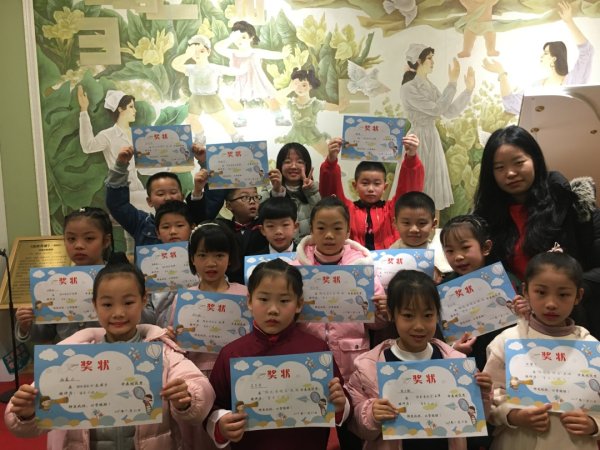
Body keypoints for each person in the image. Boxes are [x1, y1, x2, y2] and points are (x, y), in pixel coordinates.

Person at [5, 255, 215, 449]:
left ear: (144, 300)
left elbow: (199, 387)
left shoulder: (161, 352)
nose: (118, 313)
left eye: (128, 302)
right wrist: (27, 413)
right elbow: (25, 420)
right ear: (95, 305)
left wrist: (188, 397)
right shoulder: (70, 357)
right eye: (107, 304)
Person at [205, 259, 349, 449]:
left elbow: (341, 399)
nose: (273, 310)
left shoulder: (316, 350)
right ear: (249, 301)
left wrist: (340, 405)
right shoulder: (232, 353)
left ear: (299, 304)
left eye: (284, 301)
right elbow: (213, 407)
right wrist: (221, 424)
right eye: (264, 299)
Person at [472, 125, 600, 336]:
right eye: (499, 167)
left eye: (519, 162)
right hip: (514, 326)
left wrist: (561, 291)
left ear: (535, 160)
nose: (510, 173)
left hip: (572, 323)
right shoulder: (485, 220)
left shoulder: (573, 205)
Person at [346, 270, 492, 450]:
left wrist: (482, 393)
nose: (419, 326)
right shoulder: (369, 367)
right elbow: (357, 427)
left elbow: (475, 419)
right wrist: (371, 414)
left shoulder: (455, 363)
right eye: (408, 315)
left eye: (428, 315)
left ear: (437, 314)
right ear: (391, 314)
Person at [294, 196, 388, 449]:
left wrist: (381, 310)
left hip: (353, 363)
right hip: (308, 363)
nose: (329, 235)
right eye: (321, 228)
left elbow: (376, 326)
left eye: (337, 228)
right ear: (311, 231)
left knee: (351, 431)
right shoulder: (297, 269)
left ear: (347, 231)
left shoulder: (363, 270)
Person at [484, 250, 600, 449]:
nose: (551, 304)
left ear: (578, 296)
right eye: (541, 292)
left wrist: (594, 423)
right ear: (526, 291)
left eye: (563, 294)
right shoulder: (508, 341)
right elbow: (488, 395)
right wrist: (512, 415)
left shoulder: (591, 347)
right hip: (517, 441)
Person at [15, 207, 151, 343]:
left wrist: (138, 302)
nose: (78, 245)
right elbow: (45, 333)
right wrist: (26, 325)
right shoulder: (54, 283)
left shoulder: (123, 278)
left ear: (106, 241)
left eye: (89, 238)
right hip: (69, 354)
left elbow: (149, 320)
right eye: (71, 239)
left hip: (115, 351)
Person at [440, 214, 524, 370]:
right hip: (466, 364)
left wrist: (524, 310)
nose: (458, 257)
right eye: (450, 250)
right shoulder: (444, 289)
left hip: (505, 361)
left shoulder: (507, 282)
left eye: (465, 248)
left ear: (486, 248)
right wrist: (453, 349)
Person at [482, 1, 594, 115]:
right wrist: (501, 73)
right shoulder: (536, 88)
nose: (541, 56)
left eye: (545, 53)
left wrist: (569, 22)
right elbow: (511, 104)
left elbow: (587, 51)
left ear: (554, 59)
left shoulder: (573, 81)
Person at [400, 44, 475, 210]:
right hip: (418, 138)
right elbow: (436, 109)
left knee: (433, 186)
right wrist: (452, 83)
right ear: (418, 61)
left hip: (432, 137)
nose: (433, 62)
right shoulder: (408, 89)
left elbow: (449, 111)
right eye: (429, 58)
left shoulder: (430, 86)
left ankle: (431, 223)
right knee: (418, 182)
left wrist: (468, 91)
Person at [321, 134, 423, 250]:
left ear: (385, 187)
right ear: (355, 185)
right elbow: (331, 192)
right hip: (355, 260)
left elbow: (408, 191)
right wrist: (331, 161)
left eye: (377, 183)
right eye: (365, 183)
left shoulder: (393, 210)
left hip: (389, 259)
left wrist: (411, 158)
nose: (370, 189)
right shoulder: (346, 210)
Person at [105, 146, 208, 246]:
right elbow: (117, 204)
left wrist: (204, 162)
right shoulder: (141, 223)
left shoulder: (193, 218)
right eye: (160, 194)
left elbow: (210, 199)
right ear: (149, 201)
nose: (168, 198)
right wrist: (120, 165)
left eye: (173, 192)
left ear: (182, 197)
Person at [78, 88, 151, 212]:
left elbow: (143, 168)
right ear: (120, 109)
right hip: (120, 191)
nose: (135, 110)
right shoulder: (108, 135)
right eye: (131, 107)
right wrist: (84, 110)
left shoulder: (138, 134)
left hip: (138, 188)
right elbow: (88, 146)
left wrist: (169, 167)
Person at [213, 20, 290, 127]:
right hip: (240, 83)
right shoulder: (233, 53)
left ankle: (279, 118)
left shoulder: (255, 52)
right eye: (237, 37)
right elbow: (217, 48)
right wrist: (231, 38)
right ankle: (241, 119)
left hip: (257, 82)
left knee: (270, 99)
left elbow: (270, 54)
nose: (239, 40)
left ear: (251, 37)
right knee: (233, 99)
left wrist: (283, 54)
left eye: (243, 37)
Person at [171, 34, 243, 143]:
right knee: (190, 118)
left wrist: (243, 68)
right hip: (195, 97)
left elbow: (232, 71)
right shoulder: (191, 68)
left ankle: (235, 136)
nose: (197, 54)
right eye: (194, 51)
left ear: (208, 52)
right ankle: (199, 136)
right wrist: (186, 55)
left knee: (223, 119)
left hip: (211, 97)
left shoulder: (214, 68)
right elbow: (175, 65)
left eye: (201, 51)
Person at [276, 67, 346, 157]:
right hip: (295, 133)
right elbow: (276, 97)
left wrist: (340, 106)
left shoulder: (314, 103)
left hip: (312, 133)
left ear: (310, 86)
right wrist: (289, 88)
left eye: (304, 85)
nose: (300, 88)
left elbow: (329, 106)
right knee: (288, 155)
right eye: (296, 84)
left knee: (326, 154)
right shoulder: (291, 103)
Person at [152, 200, 196, 328]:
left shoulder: (202, 259)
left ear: (192, 227)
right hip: (161, 331)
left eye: (180, 225)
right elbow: (150, 312)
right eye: (166, 227)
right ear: (157, 233)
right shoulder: (150, 267)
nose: (173, 231)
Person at [267, 142, 321, 240]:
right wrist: (277, 192)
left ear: (306, 165)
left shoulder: (317, 190)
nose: (293, 166)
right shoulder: (268, 193)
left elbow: (322, 218)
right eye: (287, 162)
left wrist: (311, 192)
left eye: (299, 162)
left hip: (309, 247)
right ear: (280, 166)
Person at [217, 188, 268, 282]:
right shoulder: (223, 228)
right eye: (245, 197)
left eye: (256, 197)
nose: (252, 201)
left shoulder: (265, 226)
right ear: (229, 205)